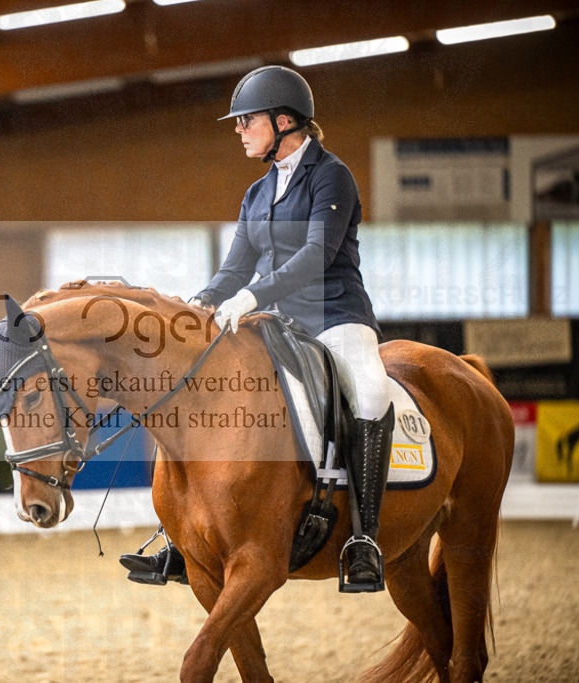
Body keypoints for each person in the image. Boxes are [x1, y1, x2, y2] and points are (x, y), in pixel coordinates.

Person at [120, 65, 394, 591]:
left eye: (247, 120)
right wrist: (201, 305)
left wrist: (251, 296)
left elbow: (318, 255)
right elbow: (234, 269)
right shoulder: (256, 193)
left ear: (284, 121)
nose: (239, 129)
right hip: (277, 322)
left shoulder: (331, 175)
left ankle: (366, 538)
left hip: (335, 316)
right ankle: (182, 537)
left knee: (371, 392)